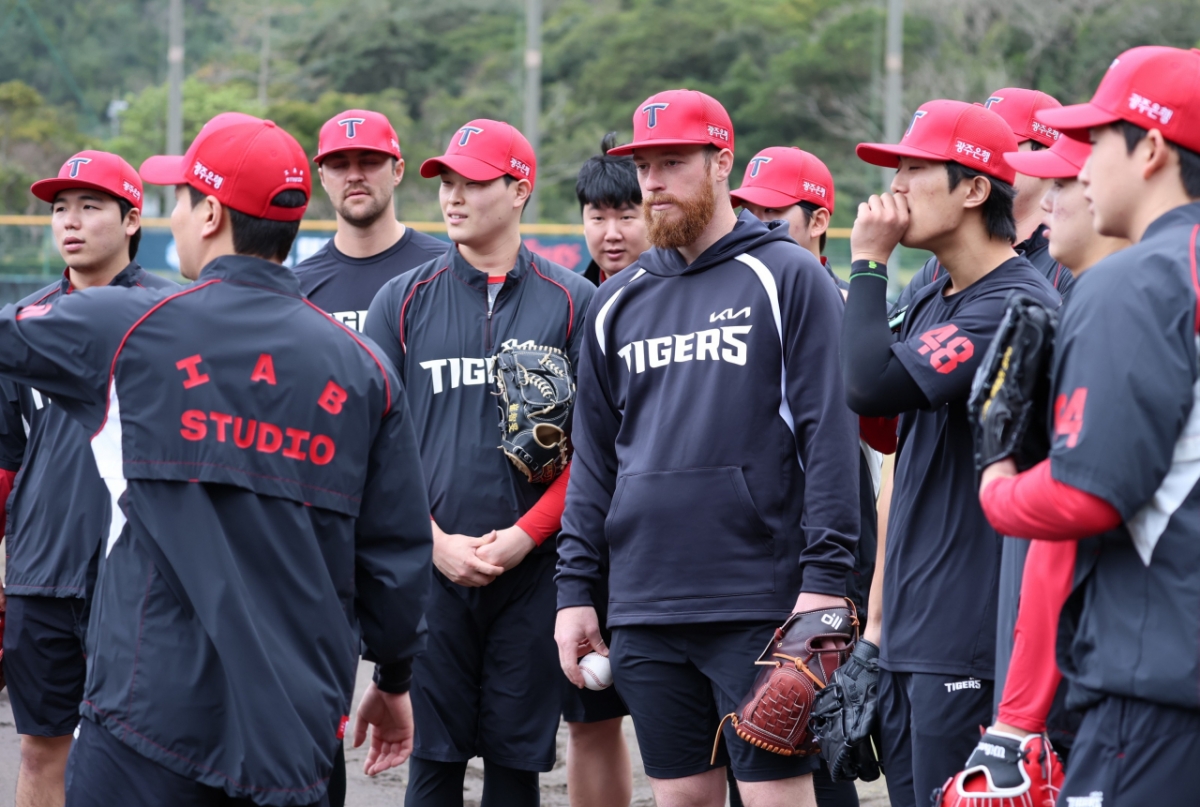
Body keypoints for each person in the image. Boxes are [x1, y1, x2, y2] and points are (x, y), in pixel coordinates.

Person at [0, 114, 433, 806]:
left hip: (148, 721)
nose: (172, 217)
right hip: (297, 735)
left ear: (209, 214)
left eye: (179, 199)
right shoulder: (365, 369)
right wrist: (394, 678)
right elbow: (394, 558)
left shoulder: (130, 326)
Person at [555, 89, 861, 807]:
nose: (653, 182)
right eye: (644, 166)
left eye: (673, 162)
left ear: (722, 163)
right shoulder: (616, 301)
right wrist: (575, 593)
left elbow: (829, 439)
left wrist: (825, 583)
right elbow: (595, 461)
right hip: (645, 602)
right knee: (682, 797)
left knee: (776, 797)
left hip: (762, 600)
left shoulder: (787, 276)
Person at [977, 45, 1200, 807]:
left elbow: (1086, 496)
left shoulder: (1135, 278)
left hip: (1157, 693)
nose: (1080, 166)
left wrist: (998, 481)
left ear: (1150, 149)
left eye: (1097, 139)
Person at [365, 119, 595, 807]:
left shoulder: (574, 301)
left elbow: (597, 452)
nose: (453, 196)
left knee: (515, 766)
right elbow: (372, 447)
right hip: (431, 570)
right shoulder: (401, 299)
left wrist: (526, 534)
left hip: (534, 572)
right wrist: (431, 540)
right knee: (432, 762)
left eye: (473, 181)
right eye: (447, 181)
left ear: (520, 189)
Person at [841, 99, 1060, 807]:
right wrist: (875, 633)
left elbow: (866, 384)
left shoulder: (1014, 302)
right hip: (913, 626)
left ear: (973, 189)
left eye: (915, 168)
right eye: (896, 168)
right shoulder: (936, 292)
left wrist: (867, 263)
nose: (896, 186)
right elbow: (885, 435)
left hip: (971, 630)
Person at [0, 151, 176, 807]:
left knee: (144, 754)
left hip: (139, 576)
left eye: (90, 206)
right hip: (41, 573)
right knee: (40, 750)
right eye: (59, 208)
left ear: (132, 220)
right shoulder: (24, 324)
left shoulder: (171, 314)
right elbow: (6, 460)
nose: (70, 221)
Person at [732, 146, 892, 807]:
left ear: (820, 220)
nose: (755, 224)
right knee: (757, 747)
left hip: (830, 556)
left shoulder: (843, 304)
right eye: (746, 210)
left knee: (819, 745)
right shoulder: (733, 300)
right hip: (754, 558)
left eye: (773, 214)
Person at [563, 133, 648, 807]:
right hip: (591, 545)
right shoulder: (571, 303)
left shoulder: (699, 292)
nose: (611, 232)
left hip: (671, 549)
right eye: (597, 216)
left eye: (627, 214)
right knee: (589, 717)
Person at [891, 88, 1073, 322]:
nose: (990, 154)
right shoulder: (943, 260)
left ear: (1047, 156)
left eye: (1006, 143)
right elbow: (889, 332)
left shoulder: (1071, 255)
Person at [295, 109, 445, 332]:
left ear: (398, 171)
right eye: (339, 165)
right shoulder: (298, 288)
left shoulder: (446, 268)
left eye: (369, 162)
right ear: (323, 178)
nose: (354, 176)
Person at [577, 132, 652, 287]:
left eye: (626, 217)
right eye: (598, 218)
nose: (612, 235)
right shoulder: (572, 296)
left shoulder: (680, 292)